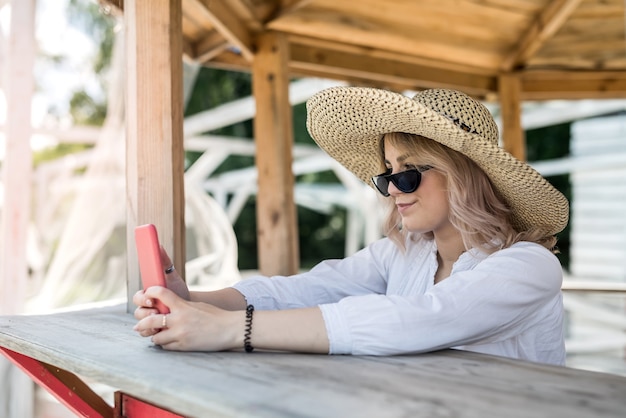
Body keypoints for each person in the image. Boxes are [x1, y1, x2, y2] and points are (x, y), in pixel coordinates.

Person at [133, 87, 569, 365]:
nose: (392, 190)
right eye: (387, 175)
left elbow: (417, 320)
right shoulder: (410, 251)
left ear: (463, 174)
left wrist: (229, 330)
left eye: (408, 172)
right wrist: (194, 300)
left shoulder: (529, 266)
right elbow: (309, 288)